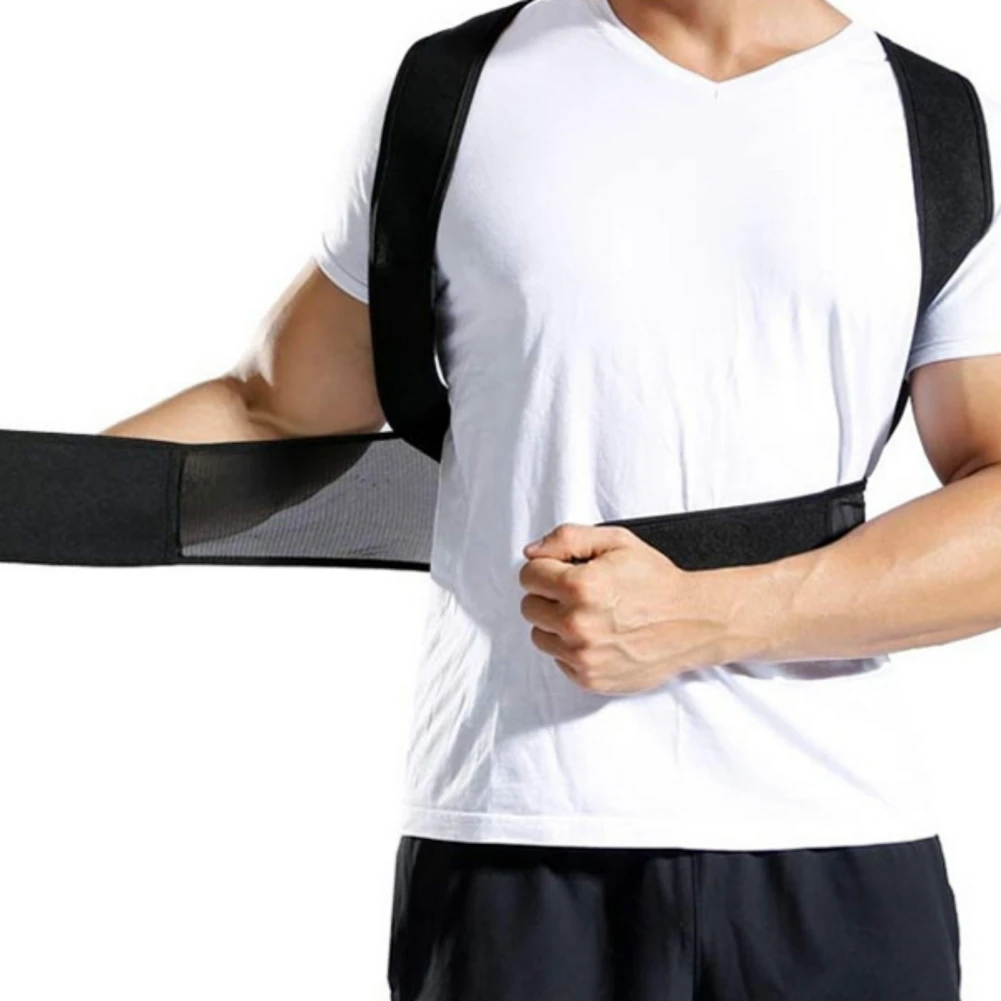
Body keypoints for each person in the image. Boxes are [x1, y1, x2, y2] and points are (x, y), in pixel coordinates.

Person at [102, 0, 1001, 997]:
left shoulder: (924, 118)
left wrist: (709, 615)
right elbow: (271, 407)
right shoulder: (457, 90)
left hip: (834, 836)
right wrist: (38, 495)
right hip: (513, 838)